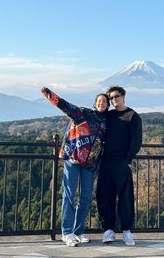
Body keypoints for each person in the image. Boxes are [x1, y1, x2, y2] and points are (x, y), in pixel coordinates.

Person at [41, 87, 110, 247]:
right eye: (99, 101)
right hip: (73, 158)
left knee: (86, 198)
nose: (102, 103)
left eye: (104, 102)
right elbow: (65, 106)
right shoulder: (84, 114)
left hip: (91, 163)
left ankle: (78, 231)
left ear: (107, 105)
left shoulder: (107, 122)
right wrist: (49, 94)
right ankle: (67, 232)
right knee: (69, 195)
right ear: (95, 103)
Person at [96, 85, 142, 246]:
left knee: (125, 198)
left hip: (122, 164)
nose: (113, 100)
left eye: (116, 96)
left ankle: (127, 231)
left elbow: (136, 142)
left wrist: (127, 161)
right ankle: (108, 230)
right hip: (106, 163)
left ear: (123, 96)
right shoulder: (107, 116)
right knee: (104, 196)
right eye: (111, 98)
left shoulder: (132, 116)